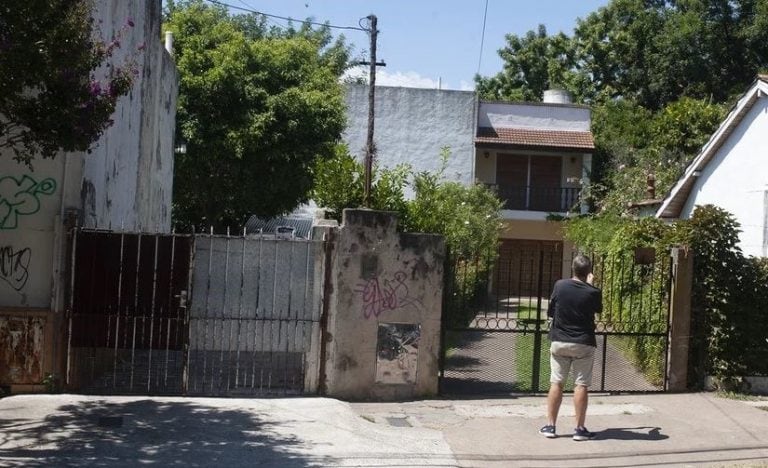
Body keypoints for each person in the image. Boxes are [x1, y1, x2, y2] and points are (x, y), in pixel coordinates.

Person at [538, 254, 602, 441]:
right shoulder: (593, 291)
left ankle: (550, 426)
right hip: (583, 342)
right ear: (589, 272)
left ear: (572, 269)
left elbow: (551, 310)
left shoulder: (560, 285)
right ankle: (579, 429)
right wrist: (590, 285)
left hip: (560, 340)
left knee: (556, 382)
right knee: (581, 384)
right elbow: (598, 309)